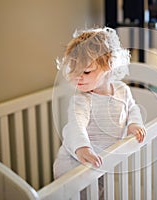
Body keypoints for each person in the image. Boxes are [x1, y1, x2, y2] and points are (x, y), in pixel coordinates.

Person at [53, 27, 146, 179]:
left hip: (101, 163)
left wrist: (134, 124)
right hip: (74, 165)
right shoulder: (82, 99)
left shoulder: (122, 90)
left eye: (87, 72)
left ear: (110, 66)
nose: (78, 77)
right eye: (75, 71)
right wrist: (83, 148)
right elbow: (76, 125)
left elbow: (132, 108)